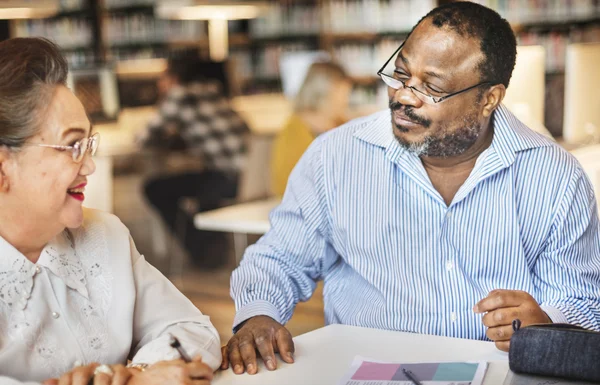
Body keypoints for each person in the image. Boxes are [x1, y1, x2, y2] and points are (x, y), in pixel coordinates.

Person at [222, 1, 600, 375]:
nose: (404, 96)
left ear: (489, 98)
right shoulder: (334, 157)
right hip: (366, 370)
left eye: (432, 87)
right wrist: (258, 314)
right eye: (401, 75)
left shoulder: (555, 176)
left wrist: (546, 320)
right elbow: (279, 259)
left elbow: (583, 301)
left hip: (501, 372)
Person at [0, 38, 220, 384]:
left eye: (87, 144)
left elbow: (191, 330)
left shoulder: (105, 235)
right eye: (72, 145)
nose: (89, 166)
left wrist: (138, 374)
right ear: (3, 166)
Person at [138, 54, 249, 268]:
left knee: (155, 188)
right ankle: (211, 252)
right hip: (248, 177)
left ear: (174, 78)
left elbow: (144, 138)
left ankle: (203, 252)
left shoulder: (179, 95)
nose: (160, 83)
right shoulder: (213, 91)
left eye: (163, 77)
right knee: (201, 184)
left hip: (225, 178)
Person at [271, 61, 352, 196]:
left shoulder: (343, 125)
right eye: (344, 92)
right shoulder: (293, 134)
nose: (346, 99)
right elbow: (286, 188)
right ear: (326, 92)